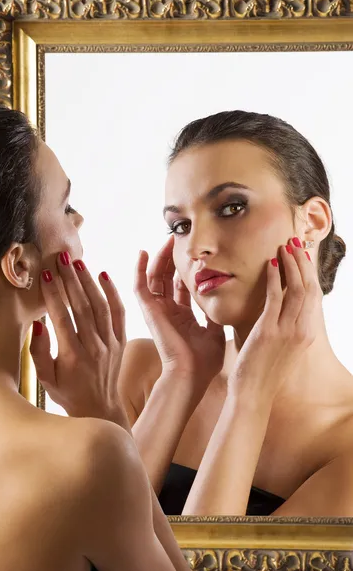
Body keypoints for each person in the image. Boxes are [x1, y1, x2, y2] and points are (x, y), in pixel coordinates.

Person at [0, 105, 192, 571]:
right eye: (65, 206)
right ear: (20, 265)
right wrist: (106, 413)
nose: (79, 219)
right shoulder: (86, 458)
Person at [118, 110, 353, 517]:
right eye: (180, 226)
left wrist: (250, 396)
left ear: (313, 222)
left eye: (231, 208)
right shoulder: (144, 374)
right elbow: (85, 558)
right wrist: (181, 377)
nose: (196, 247)